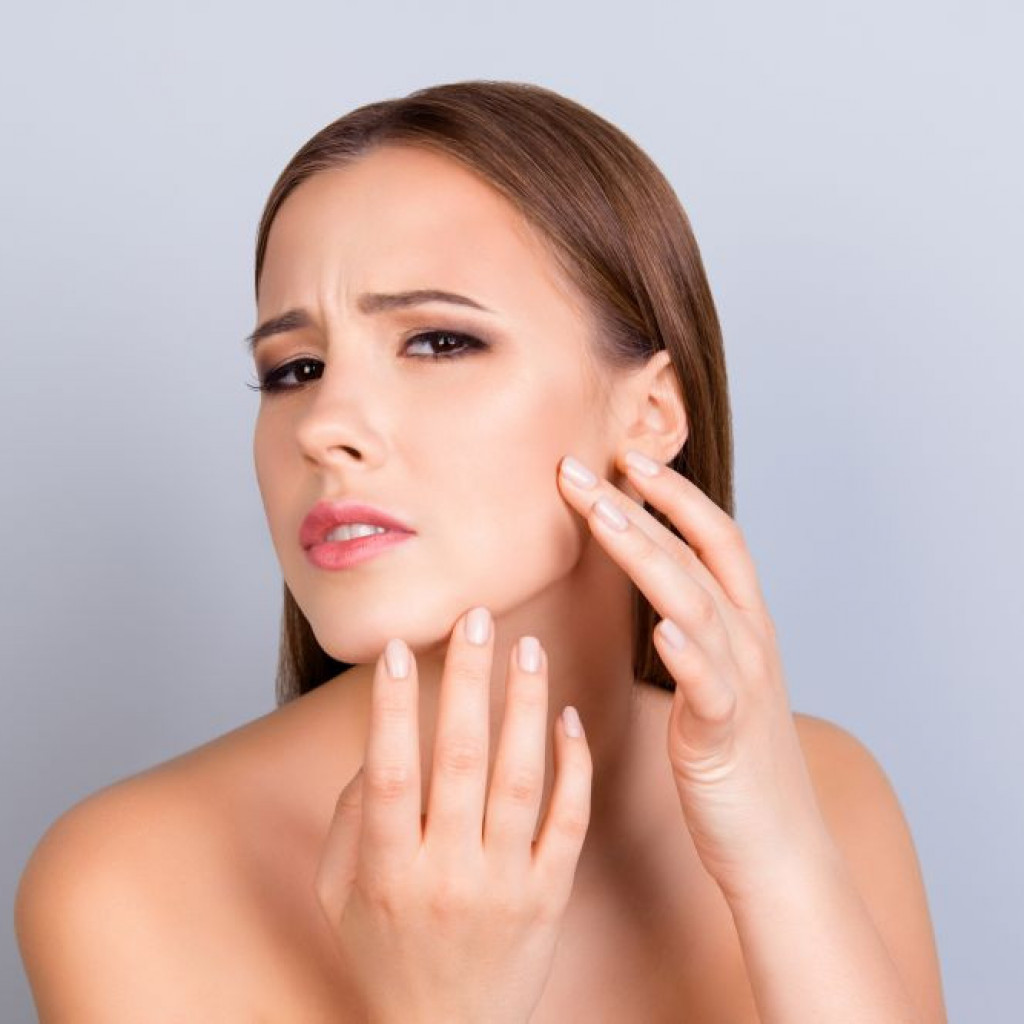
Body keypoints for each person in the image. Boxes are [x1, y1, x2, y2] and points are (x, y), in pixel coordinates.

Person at [14, 80, 947, 1022]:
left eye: (438, 342)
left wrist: (780, 862)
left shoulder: (824, 795)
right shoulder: (130, 883)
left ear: (650, 413)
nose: (324, 425)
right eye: (295, 369)